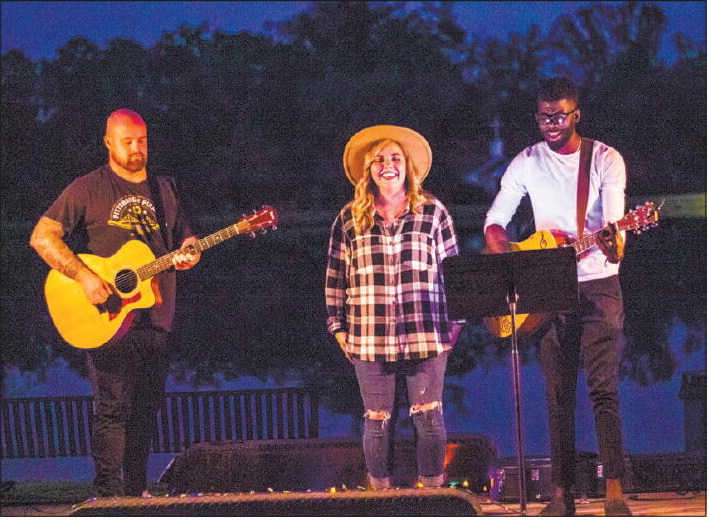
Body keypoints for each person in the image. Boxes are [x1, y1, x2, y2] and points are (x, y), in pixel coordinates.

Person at [29, 109, 201, 497]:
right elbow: (43, 237)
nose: (137, 149)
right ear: (108, 142)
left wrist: (191, 252)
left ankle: (137, 494)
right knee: (112, 410)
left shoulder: (165, 188)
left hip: (158, 316)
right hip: (107, 316)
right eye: (128, 142)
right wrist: (85, 276)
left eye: (142, 141)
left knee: (145, 411)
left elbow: (187, 238)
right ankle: (107, 496)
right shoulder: (87, 188)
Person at [484, 77, 632, 516]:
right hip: (547, 285)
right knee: (556, 393)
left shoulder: (605, 158)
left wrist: (613, 240)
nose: (552, 123)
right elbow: (496, 221)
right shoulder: (526, 161)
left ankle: (615, 493)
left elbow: (616, 223)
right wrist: (515, 259)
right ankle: (561, 494)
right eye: (545, 116)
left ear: (576, 115)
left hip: (598, 283)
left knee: (602, 388)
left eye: (560, 115)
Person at [325, 125, 463, 489]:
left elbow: (456, 272)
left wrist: (456, 323)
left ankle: (433, 498)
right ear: (369, 170)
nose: (388, 165)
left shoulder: (432, 212)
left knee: (429, 417)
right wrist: (338, 329)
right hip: (368, 333)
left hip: (427, 330)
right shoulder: (349, 217)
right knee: (376, 418)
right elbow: (336, 277)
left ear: (408, 167)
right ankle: (380, 498)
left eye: (396, 158)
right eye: (380, 160)